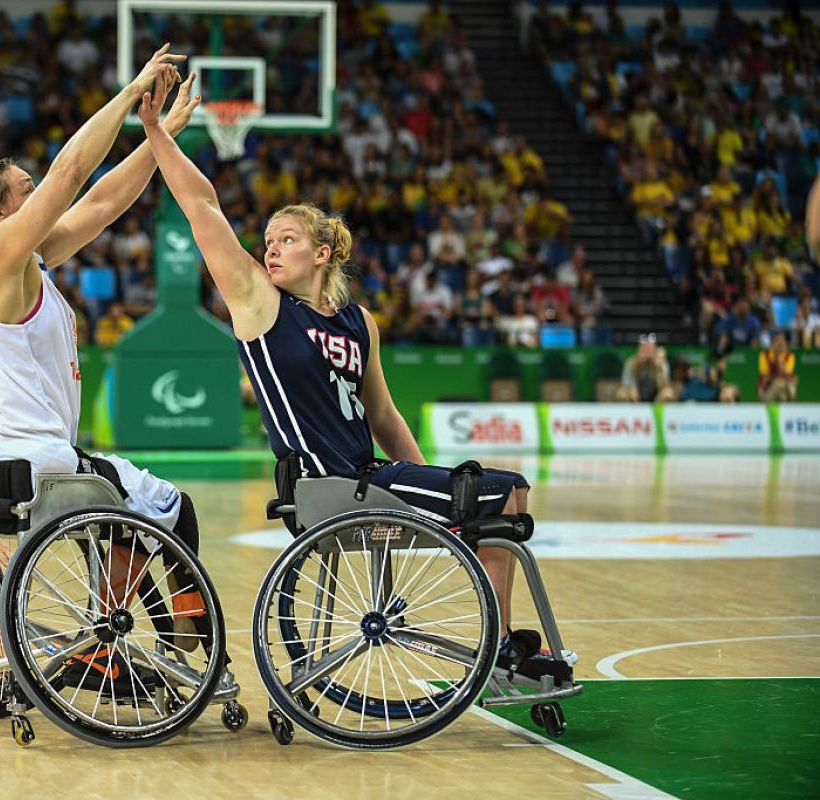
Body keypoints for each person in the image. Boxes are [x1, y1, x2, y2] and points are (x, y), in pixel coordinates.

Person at [138, 83, 550, 673]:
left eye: (287, 240)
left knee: (502, 491)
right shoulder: (260, 305)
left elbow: (382, 414)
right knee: (502, 492)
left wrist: (431, 474)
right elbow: (204, 210)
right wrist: (157, 135)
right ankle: (500, 646)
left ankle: (500, 640)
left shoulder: (361, 323)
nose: (271, 250)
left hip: (370, 476)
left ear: (323, 253)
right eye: (268, 241)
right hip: (322, 485)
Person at [0, 47, 208, 679]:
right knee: (173, 508)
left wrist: (161, 135)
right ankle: (138, 639)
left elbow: (101, 203)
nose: (38, 192)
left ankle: (132, 631)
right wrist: (131, 93)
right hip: (35, 463)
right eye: (27, 190)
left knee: (129, 523)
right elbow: (74, 169)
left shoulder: (7, 265)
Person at [758, 331, 797, 402]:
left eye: (782, 341)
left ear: (786, 343)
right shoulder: (764, 355)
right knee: (780, 388)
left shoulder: (790, 356)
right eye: (777, 340)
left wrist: (778, 357)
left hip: (785, 385)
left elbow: (787, 374)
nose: (780, 343)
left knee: (780, 385)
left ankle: (767, 405)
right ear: (772, 342)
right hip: (768, 386)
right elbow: (765, 375)